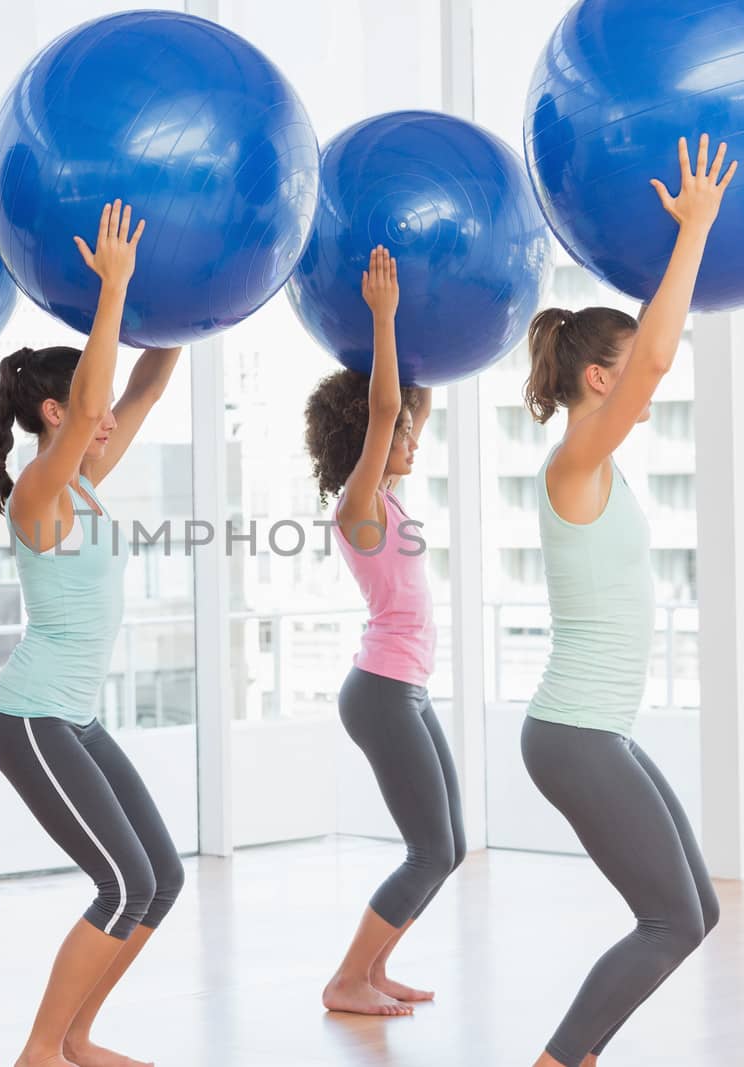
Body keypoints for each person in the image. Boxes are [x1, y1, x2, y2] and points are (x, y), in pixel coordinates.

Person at [521, 135, 736, 1067]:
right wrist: (693, 232)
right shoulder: (573, 462)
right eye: (634, 372)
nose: (652, 385)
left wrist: (669, 252)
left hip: (596, 729)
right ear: (599, 380)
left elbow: (643, 358)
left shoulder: (599, 465)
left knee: (702, 909)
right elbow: (651, 363)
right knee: (669, 920)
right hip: (572, 732)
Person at [0, 200, 183, 1067]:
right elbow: (107, 392)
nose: (108, 423)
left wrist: (181, 300)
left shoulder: (87, 478)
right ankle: (39, 1052)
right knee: (122, 881)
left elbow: (142, 385)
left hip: (76, 716)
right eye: (87, 412)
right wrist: (112, 292)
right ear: (55, 413)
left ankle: (74, 1038)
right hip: (29, 715)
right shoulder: (41, 490)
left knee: (161, 879)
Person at [304, 246, 462, 1018]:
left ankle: (375, 967)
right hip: (382, 691)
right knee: (428, 848)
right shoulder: (357, 502)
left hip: (406, 686)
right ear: (366, 441)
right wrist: (382, 316)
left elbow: (412, 403)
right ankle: (347, 978)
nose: (413, 441)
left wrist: (418, 323)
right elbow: (388, 411)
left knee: (449, 844)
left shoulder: (387, 496)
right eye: (401, 436)